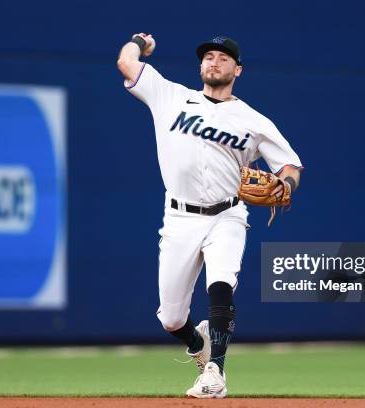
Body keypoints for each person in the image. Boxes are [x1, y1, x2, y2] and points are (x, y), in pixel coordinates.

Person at [117, 34, 302, 398]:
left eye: (223, 58)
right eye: (208, 57)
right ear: (201, 66)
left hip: (227, 215)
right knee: (170, 318)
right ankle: (196, 342)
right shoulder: (169, 95)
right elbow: (126, 63)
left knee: (220, 285)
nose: (214, 62)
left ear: (238, 69)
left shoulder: (252, 119)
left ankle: (215, 371)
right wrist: (139, 42)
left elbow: (291, 165)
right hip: (179, 219)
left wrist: (287, 185)